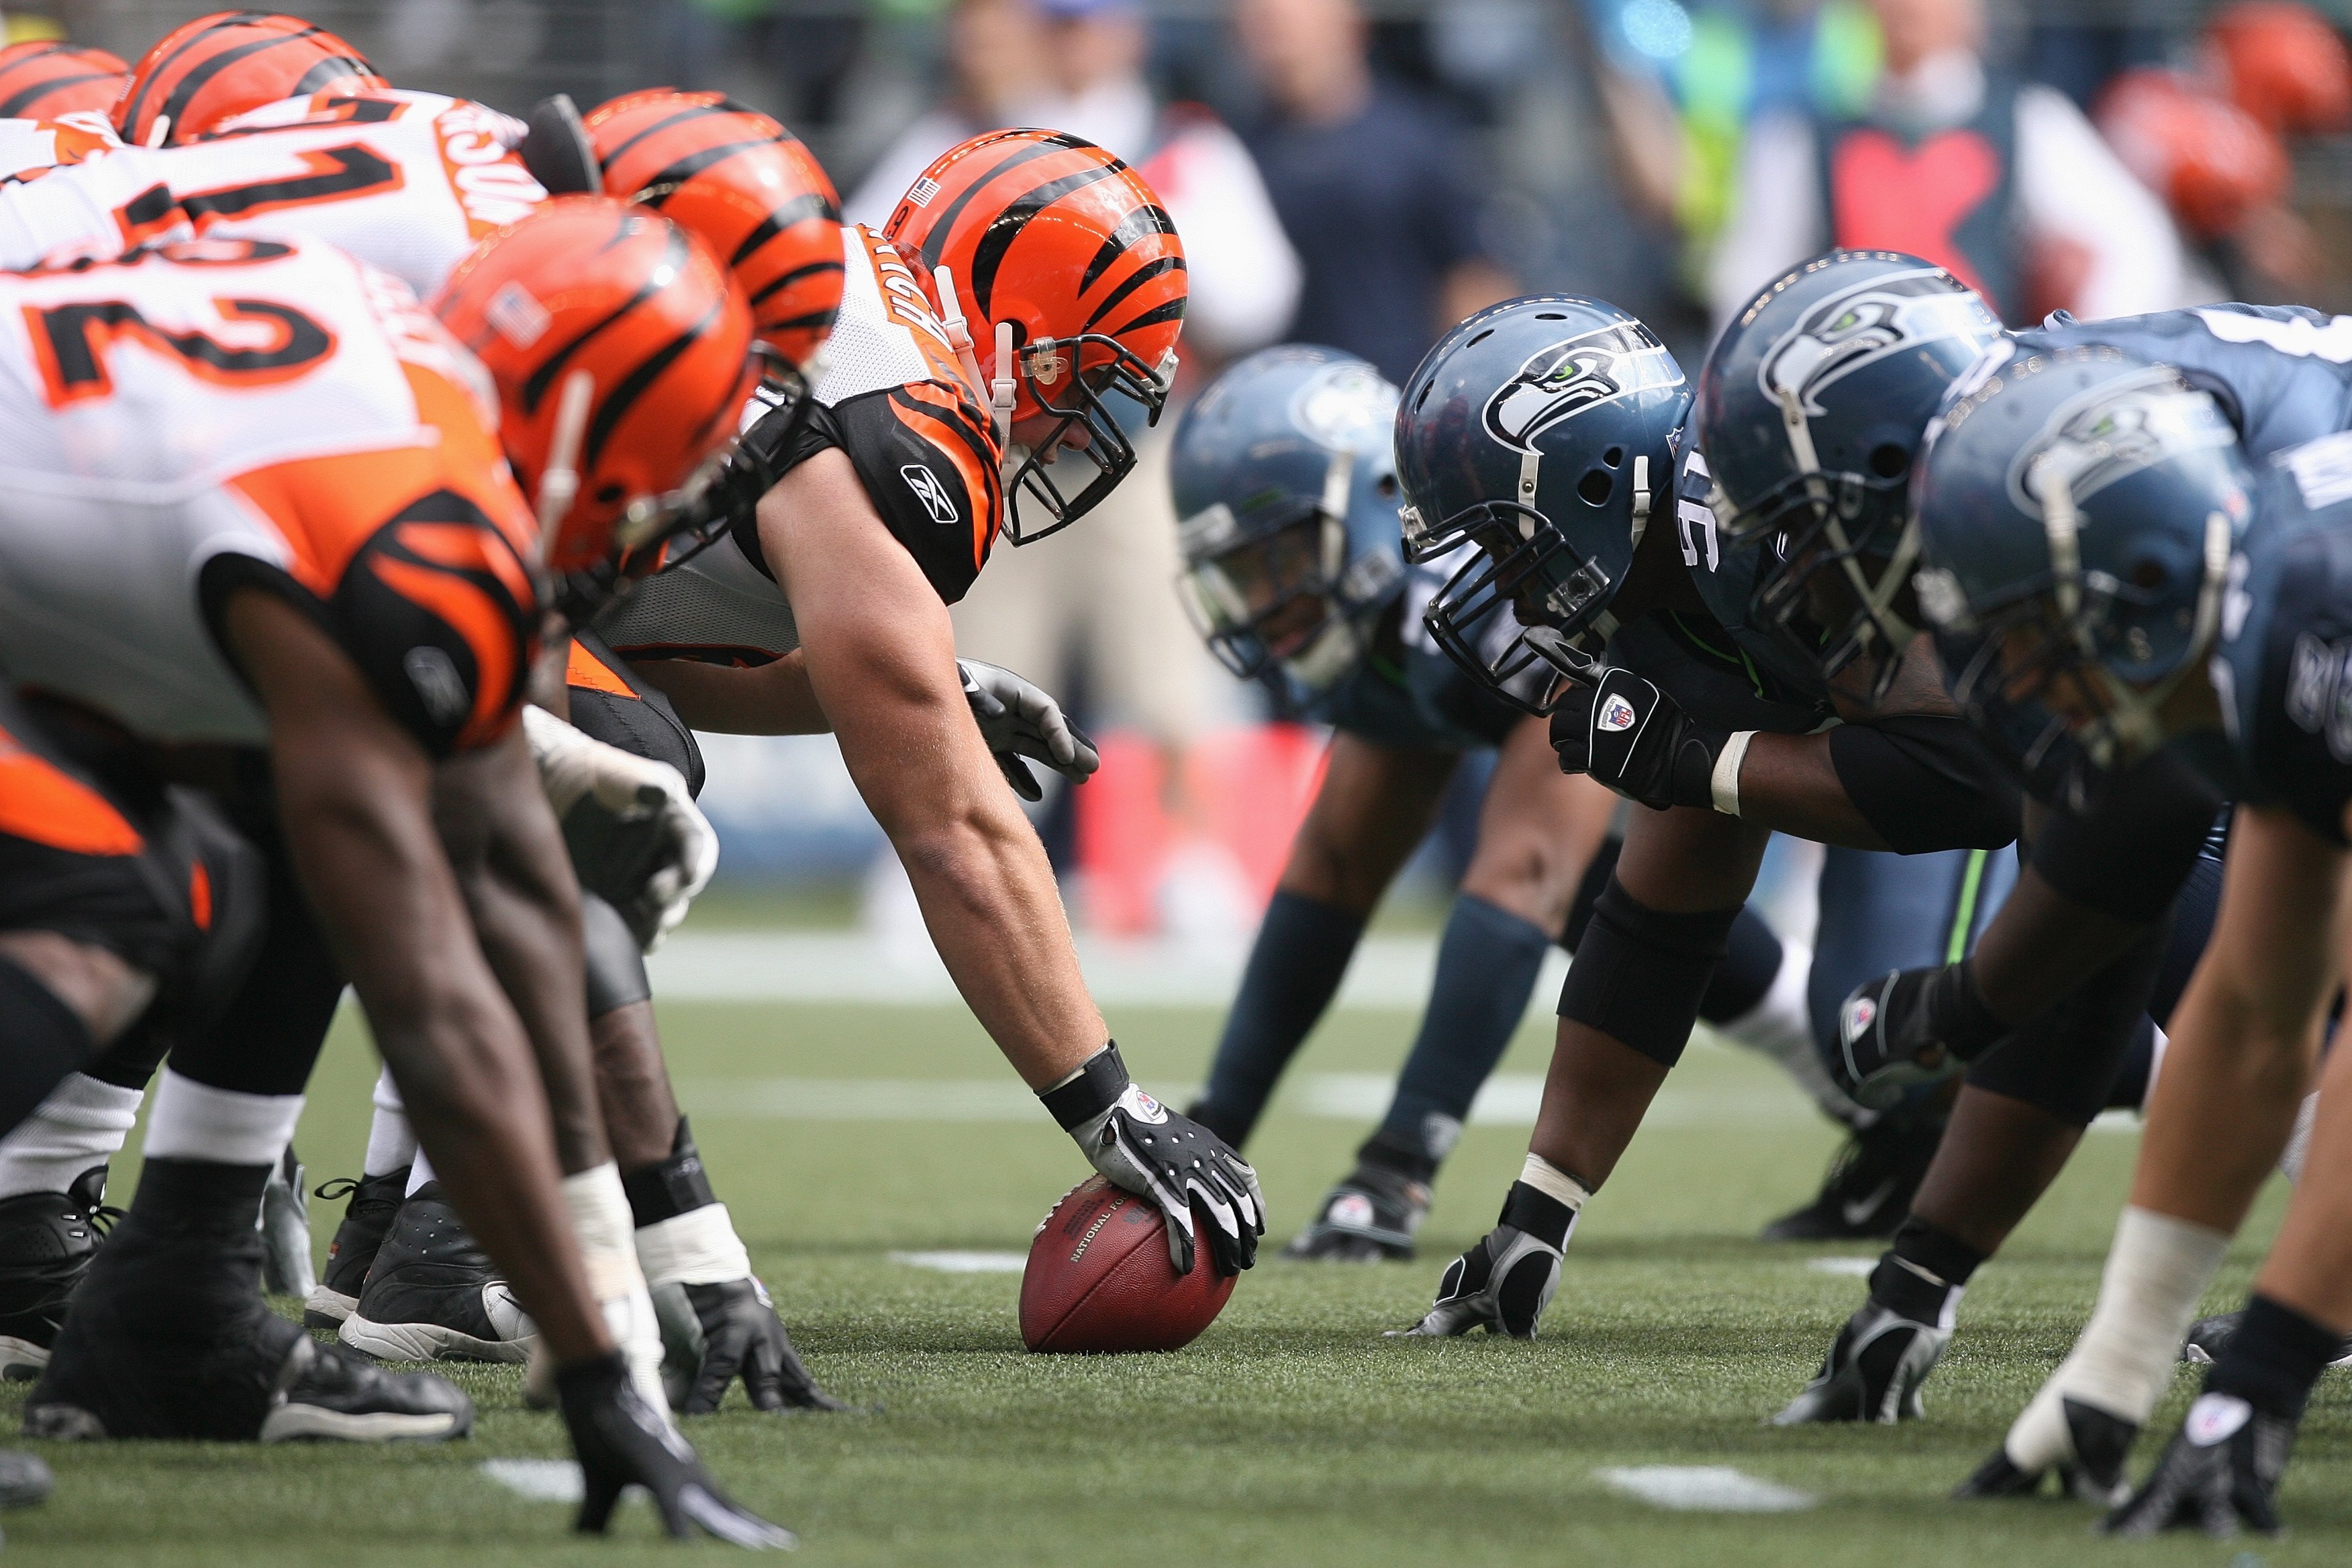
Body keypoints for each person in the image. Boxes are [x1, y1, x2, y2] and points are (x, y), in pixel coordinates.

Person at [0, 197, 791, 1542]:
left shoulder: (400, 360)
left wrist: (622, 1283)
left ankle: (168, 1314)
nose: (654, 533)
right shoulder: (417, 536)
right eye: (653, 478)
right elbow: (432, 998)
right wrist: (600, 1366)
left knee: (231, 852)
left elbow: (519, 902)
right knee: (112, 897)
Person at [572, 127, 1269, 1284]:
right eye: (1077, 379)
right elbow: (952, 833)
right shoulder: (904, 424)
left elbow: (651, 647)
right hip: (429, 572)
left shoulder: (841, 289)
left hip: (430, 551)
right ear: (1011, 332)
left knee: (614, 738)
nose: (1064, 427)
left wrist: (924, 692)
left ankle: (352, 1211)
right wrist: (1112, 1106)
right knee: (619, 777)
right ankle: (435, 1234)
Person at [1169, 343, 1900, 1259]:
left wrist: (1396, 1161)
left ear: (1366, 506)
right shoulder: (1390, 623)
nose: (1257, 601)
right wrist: (1212, 1131)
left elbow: (1527, 872)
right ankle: (1882, 1105)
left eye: (1271, 561)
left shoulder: (1509, 584)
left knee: (1563, 876)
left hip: (1894, 737)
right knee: (1604, 892)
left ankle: (2009, 1087)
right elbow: (1336, 869)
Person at [1904, 339, 2352, 1536]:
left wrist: (2254, 1385)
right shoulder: (2268, 605)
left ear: (2143, 578)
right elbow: (2256, 1005)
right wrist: (2117, 1364)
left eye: (2030, 638)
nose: (2014, 687)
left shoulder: (2319, 603)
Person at [1707, 0, 2182, 327]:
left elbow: (2134, 244)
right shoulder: (1798, 138)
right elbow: (1748, 286)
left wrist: (2079, 345)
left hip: (1990, 392)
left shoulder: (2029, 120)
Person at [1234, 0, 1514, 387]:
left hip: (1406, 393)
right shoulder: (1233, 153)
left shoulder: (1417, 138)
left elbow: (1472, 278)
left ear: (1351, 27)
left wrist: (1468, 389)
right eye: (1263, 27)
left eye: (1289, 25)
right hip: (1288, 401)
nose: (1280, 44)